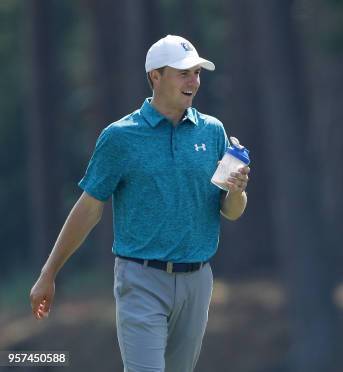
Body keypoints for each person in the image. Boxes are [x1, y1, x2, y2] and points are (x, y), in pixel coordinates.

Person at [29, 34, 250, 372]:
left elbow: (230, 211)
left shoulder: (212, 132)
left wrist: (237, 190)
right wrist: (49, 272)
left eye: (197, 73)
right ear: (155, 77)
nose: (194, 81)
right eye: (183, 73)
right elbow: (88, 209)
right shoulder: (120, 137)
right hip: (141, 279)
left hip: (198, 281)